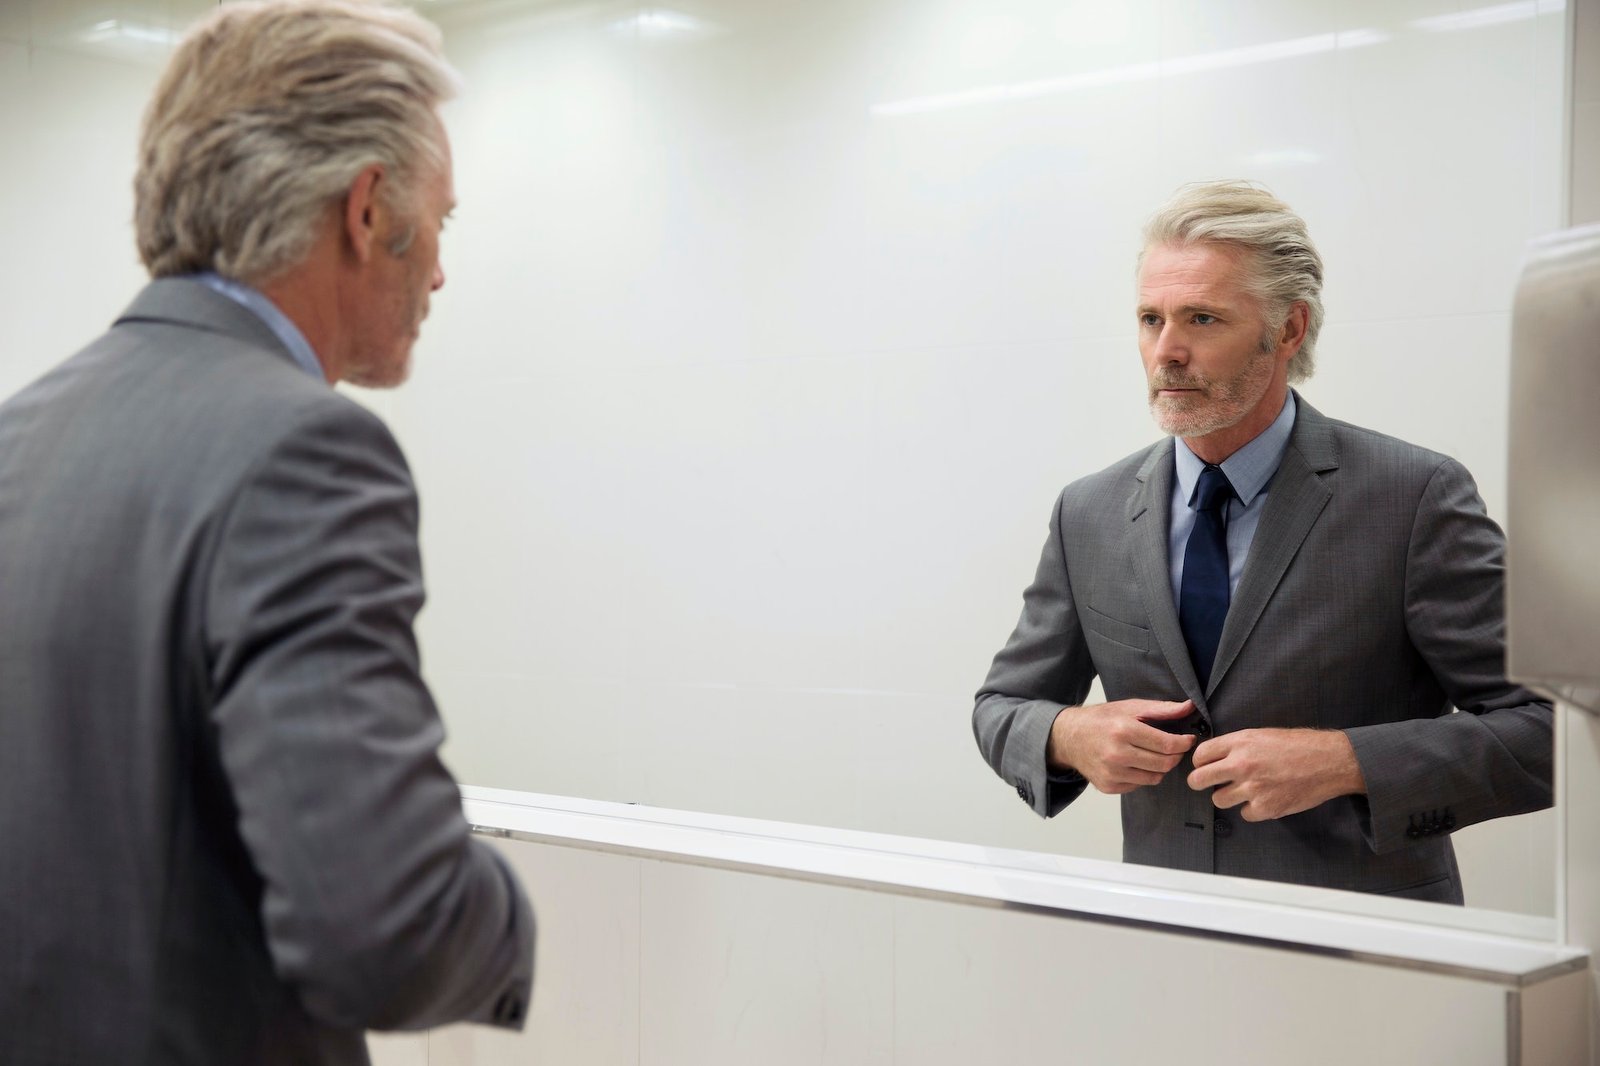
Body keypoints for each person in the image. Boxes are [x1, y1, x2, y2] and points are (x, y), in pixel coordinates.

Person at [0, 2, 534, 1062]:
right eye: (440, 223)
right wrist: (509, 913)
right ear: (369, 209)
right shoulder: (305, 452)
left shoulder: (21, 435)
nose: (437, 273)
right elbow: (388, 925)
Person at [973, 180, 1551, 904]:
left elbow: (1551, 730)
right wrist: (1066, 736)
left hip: (1372, 951)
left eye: (1202, 319)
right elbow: (1002, 705)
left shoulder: (1414, 497)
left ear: (1288, 330)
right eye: (1150, 319)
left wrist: (1347, 761)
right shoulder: (1087, 511)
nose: (1167, 351)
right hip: (1165, 937)